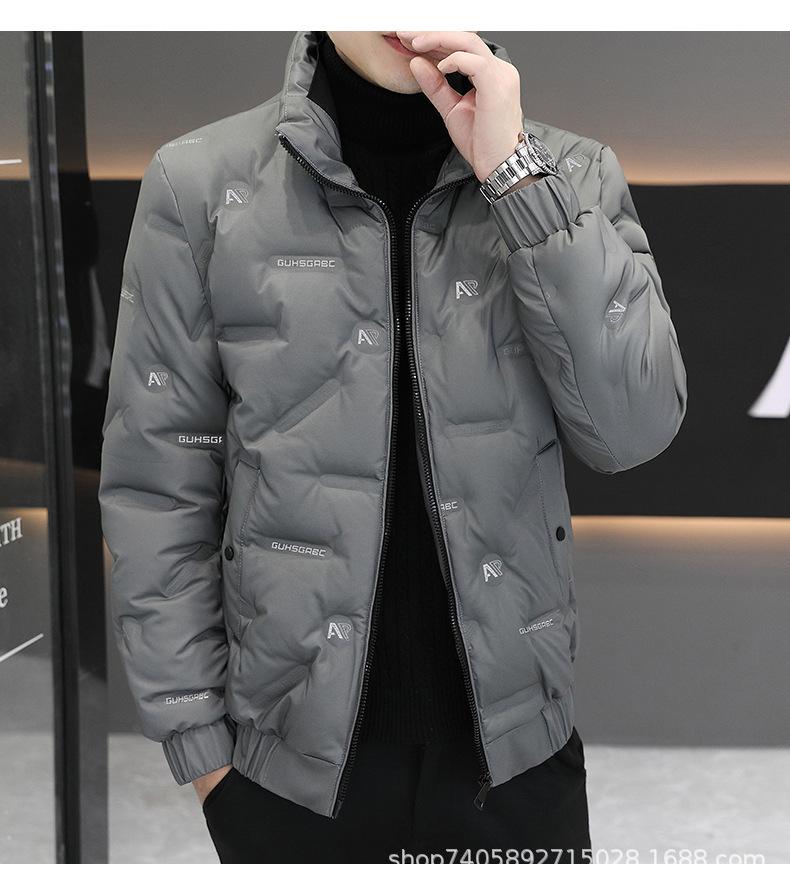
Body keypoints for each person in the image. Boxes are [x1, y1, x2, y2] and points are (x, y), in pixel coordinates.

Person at [98, 30, 687, 864]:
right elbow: (159, 484)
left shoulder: (571, 173)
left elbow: (635, 426)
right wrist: (206, 759)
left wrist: (518, 179)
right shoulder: (200, 183)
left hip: (519, 766)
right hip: (285, 778)